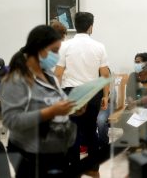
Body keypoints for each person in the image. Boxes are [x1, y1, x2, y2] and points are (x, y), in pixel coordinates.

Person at [0, 25, 76, 177]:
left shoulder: (50, 77)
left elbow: (56, 103)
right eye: (54, 51)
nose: (57, 56)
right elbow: (11, 120)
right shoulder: (16, 81)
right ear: (38, 48)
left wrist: (73, 108)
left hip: (55, 151)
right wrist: (50, 112)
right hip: (30, 155)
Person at [54, 11, 110, 177]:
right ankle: (93, 169)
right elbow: (105, 75)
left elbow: (57, 74)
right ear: (91, 27)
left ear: (74, 25)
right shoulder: (99, 46)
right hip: (92, 94)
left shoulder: (64, 46)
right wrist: (106, 96)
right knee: (91, 130)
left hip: (70, 94)